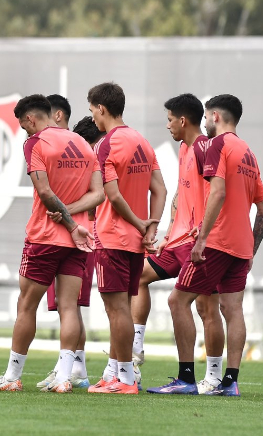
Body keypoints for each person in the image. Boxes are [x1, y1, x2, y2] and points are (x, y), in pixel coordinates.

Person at [0, 95, 104, 393]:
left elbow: (45, 192)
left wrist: (68, 223)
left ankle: (12, 377)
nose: (25, 131)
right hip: (77, 241)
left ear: (31, 119)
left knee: (26, 305)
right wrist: (74, 220)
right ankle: (63, 377)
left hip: (45, 237)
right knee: (70, 307)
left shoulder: (35, 143)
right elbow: (98, 194)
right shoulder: (83, 144)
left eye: (23, 125)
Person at [150, 95, 263, 397]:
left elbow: (216, 193)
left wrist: (202, 237)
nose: (204, 122)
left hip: (215, 243)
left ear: (215, 116)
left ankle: (186, 378)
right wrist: (250, 250)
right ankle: (229, 382)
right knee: (232, 309)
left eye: (206, 116)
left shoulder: (218, 145)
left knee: (177, 302)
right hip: (241, 247)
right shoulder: (248, 153)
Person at [134, 94, 223, 393]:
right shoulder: (185, 148)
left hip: (198, 243)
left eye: (170, 119)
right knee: (139, 276)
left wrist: (204, 233)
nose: (167, 125)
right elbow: (179, 196)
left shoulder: (204, 149)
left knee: (205, 307)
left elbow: (217, 194)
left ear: (183, 120)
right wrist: (169, 234)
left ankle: (205, 376)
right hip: (180, 241)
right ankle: (134, 353)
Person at [86, 82, 166, 394]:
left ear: (101, 108)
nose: (92, 116)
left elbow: (113, 196)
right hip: (134, 242)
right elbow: (160, 189)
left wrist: (138, 222)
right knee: (121, 309)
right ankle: (116, 375)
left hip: (113, 238)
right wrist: (150, 227)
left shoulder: (105, 145)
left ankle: (126, 380)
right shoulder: (142, 141)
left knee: (116, 310)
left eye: (92, 110)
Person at [37, 113, 102, 389]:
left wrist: (64, 213)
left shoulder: (91, 157)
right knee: (70, 308)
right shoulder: (86, 158)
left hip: (81, 237)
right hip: (80, 236)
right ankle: (76, 368)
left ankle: (77, 369)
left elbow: (98, 199)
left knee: (70, 307)